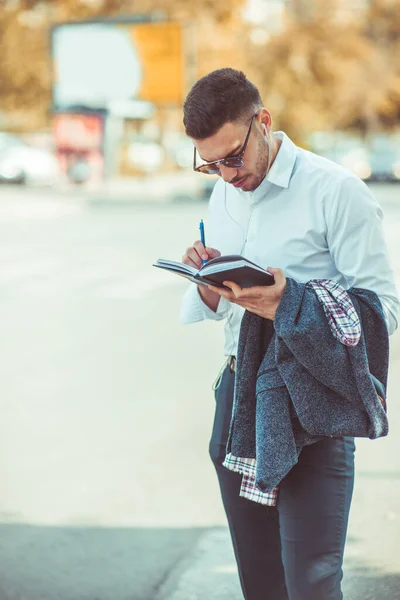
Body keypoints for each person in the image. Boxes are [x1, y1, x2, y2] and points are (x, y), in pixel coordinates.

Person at [179, 68, 399, 600]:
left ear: (264, 122)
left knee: (311, 584)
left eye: (233, 156)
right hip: (238, 396)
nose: (227, 175)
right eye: (211, 165)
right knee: (261, 582)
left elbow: (384, 311)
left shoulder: (336, 190)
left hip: (311, 404)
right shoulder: (225, 192)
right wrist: (207, 282)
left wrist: (289, 305)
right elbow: (223, 309)